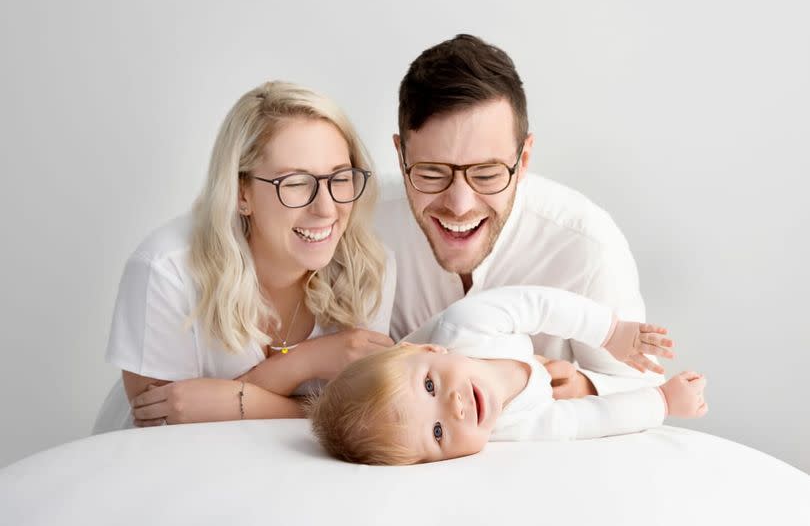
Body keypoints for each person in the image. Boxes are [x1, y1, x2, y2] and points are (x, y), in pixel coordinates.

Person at [93, 81, 395, 433]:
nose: (326, 208)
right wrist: (306, 366)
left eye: (340, 178)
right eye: (296, 183)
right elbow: (164, 428)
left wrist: (239, 399)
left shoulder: (369, 267)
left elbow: (363, 417)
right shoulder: (165, 270)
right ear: (241, 194)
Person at [377, 34, 660, 399]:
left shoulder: (588, 247)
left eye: (487, 174)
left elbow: (641, 391)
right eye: (432, 173)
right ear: (401, 157)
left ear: (523, 160)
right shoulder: (358, 223)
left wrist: (585, 387)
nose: (460, 205)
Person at [309, 286, 708, 465]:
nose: (454, 407)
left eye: (430, 385)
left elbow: (539, 305)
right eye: (437, 433)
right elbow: (590, 421)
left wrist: (610, 332)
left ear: (430, 349)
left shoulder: (469, 324)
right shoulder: (509, 429)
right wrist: (663, 401)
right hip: (543, 376)